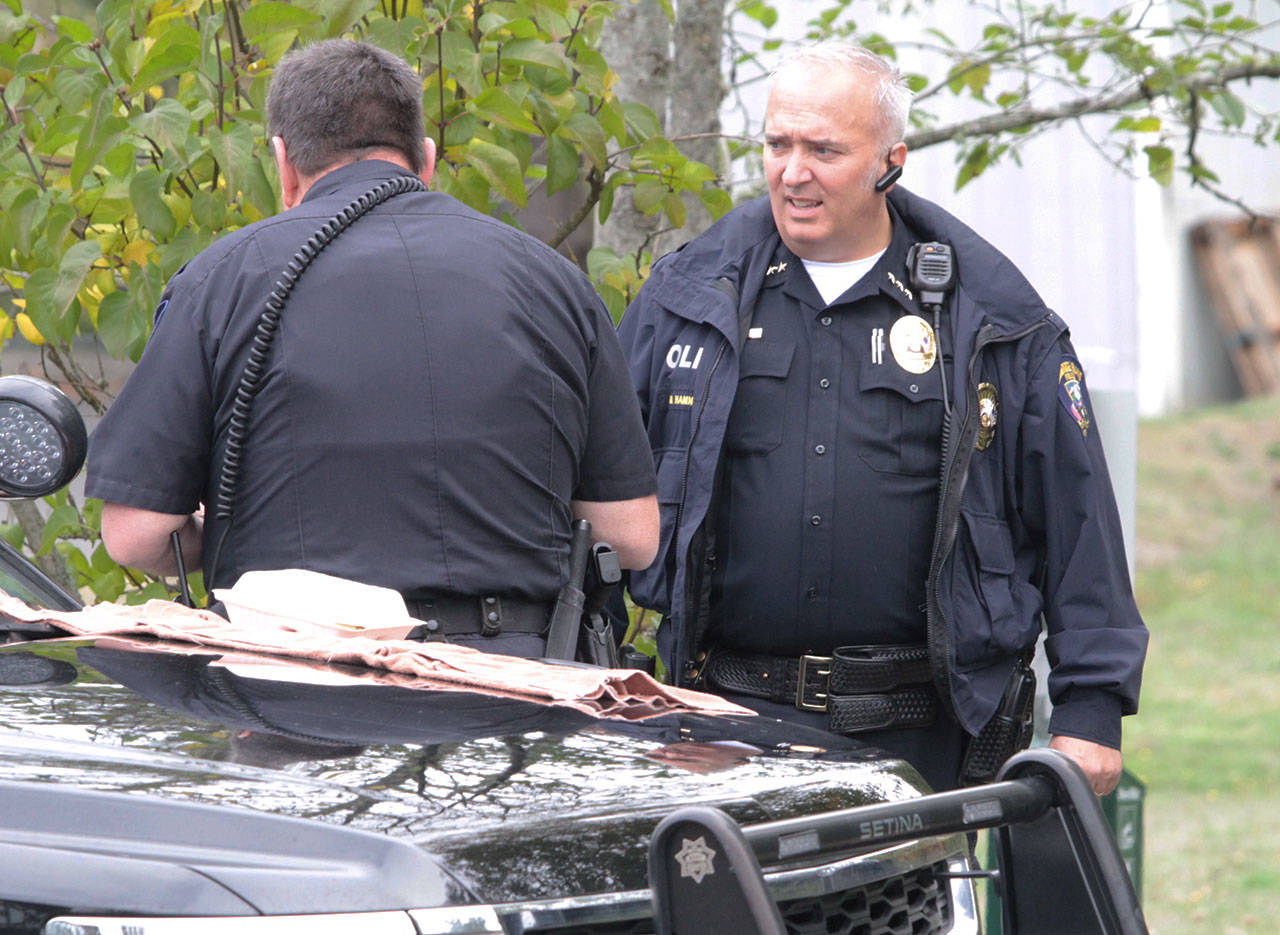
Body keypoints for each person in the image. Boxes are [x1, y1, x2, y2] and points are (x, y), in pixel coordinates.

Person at [615, 41, 1147, 793]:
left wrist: (1091, 710)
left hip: (925, 733)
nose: (792, 171)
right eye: (777, 144)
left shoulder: (994, 320)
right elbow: (595, 482)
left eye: (823, 149)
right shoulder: (687, 300)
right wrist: (593, 673)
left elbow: (1077, 517)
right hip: (720, 722)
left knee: (906, 915)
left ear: (890, 161)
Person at [87, 39, 659, 658]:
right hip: (510, 694)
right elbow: (630, 537)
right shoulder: (555, 283)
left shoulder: (221, 279)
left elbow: (136, 535)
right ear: (427, 160)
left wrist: (229, 528)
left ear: (283, 163)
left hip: (296, 687)